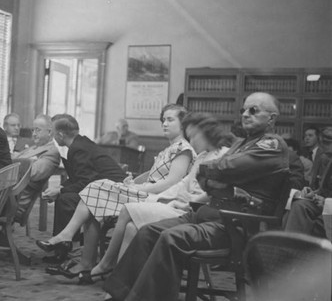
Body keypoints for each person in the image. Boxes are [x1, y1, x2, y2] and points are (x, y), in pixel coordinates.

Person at [104, 92, 290, 301]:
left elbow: (226, 167)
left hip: (234, 224)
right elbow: (211, 176)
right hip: (208, 215)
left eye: (253, 110)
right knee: (149, 231)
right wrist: (215, 176)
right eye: (244, 110)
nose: (246, 114)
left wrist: (213, 174)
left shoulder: (271, 146)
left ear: (272, 118)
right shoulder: (241, 144)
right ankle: (121, 295)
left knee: (170, 238)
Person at [37, 104, 195, 277]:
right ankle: (85, 261)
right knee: (93, 197)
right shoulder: (169, 149)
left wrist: (138, 186)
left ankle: (70, 240)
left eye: (170, 120)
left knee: (96, 188)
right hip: (146, 193)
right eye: (163, 119)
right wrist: (133, 182)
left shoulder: (183, 149)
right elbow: (153, 177)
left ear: (183, 124)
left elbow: (171, 182)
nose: (164, 123)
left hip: (159, 199)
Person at [87, 113, 233, 283]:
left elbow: (216, 194)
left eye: (193, 136)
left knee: (127, 209)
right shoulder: (202, 156)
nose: (191, 141)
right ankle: (122, 281)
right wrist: (159, 198)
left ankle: (106, 265)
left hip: (195, 212)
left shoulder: (224, 155)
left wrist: (186, 202)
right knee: (131, 228)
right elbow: (182, 185)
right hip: (179, 205)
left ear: (207, 132)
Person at [41, 114, 127, 263]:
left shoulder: (78, 148)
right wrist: (60, 188)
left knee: (66, 200)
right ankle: (64, 247)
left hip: (114, 192)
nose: (52, 136)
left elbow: (86, 181)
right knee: (65, 198)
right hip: (106, 187)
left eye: (53, 133)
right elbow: (80, 178)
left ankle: (64, 248)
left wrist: (60, 191)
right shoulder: (80, 143)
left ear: (61, 135)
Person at [284, 126, 332, 238]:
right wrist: (314, 193)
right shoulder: (325, 157)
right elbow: (324, 188)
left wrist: (326, 201)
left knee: (300, 209)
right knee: (294, 205)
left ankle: (288, 251)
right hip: (323, 204)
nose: (326, 158)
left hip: (328, 206)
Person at [13, 114, 61, 220]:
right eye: (33, 130)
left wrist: (11, 163)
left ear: (49, 132)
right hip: (8, 193)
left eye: (38, 130)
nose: (33, 134)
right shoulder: (34, 147)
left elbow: (31, 172)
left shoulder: (51, 152)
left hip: (14, 200)